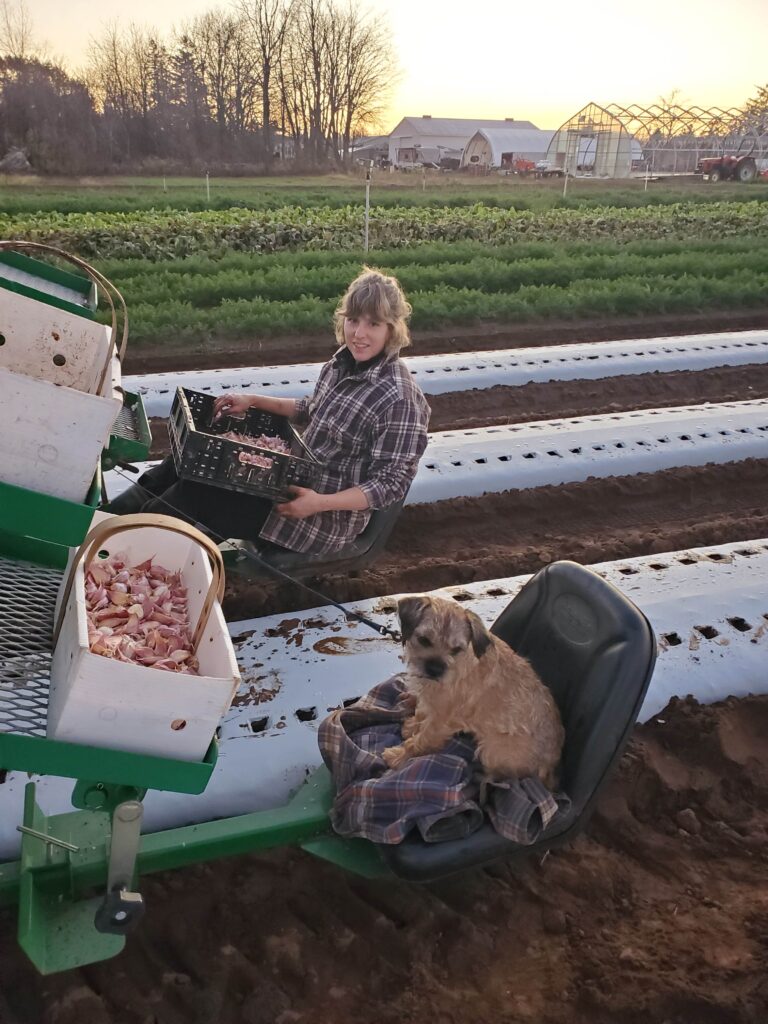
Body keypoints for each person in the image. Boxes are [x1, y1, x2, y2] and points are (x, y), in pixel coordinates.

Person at [108, 268, 431, 557]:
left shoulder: (398, 398)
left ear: (392, 329)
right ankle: (107, 521)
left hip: (316, 515)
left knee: (197, 493)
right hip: (285, 477)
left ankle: (120, 551)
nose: (359, 334)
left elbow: (390, 484)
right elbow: (310, 408)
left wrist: (318, 502)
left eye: (373, 324)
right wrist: (252, 400)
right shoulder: (342, 362)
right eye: (353, 320)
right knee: (188, 459)